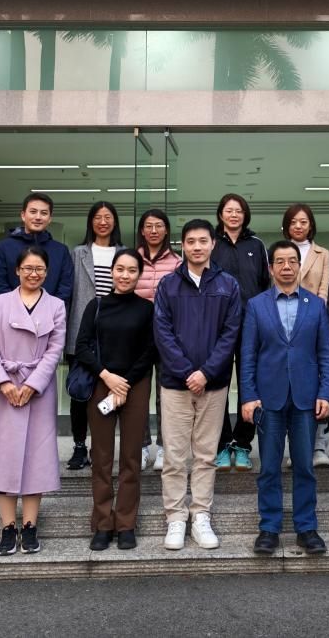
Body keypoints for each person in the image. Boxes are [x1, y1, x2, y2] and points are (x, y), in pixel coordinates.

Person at [0, 246, 65, 557]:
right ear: (17, 271)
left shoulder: (56, 306)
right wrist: (4, 383)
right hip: (3, 392)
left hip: (39, 391)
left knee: (36, 457)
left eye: (40, 269)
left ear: (46, 273)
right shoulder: (0, 302)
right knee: (3, 457)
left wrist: (33, 385)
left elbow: (55, 350)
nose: (34, 274)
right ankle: (8, 527)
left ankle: (30, 525)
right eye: (28, 268)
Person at [153, 218, 243, 551]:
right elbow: (162, 332)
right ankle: (176, 518)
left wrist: (205, 373)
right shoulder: (168, 285)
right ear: (182, 246)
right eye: (190, 241)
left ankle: (200, 515)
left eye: (203, 241)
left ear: (212, 244)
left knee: (206, 456)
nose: (197, 247)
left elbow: (231, 333)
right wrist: (187, 371)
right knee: (175, 457)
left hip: (213, 384)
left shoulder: (228, 285)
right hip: (175, 385)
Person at [240, 241, 329, 556]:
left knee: (305, 466)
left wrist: (326, 393)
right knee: (269, 467)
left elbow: (326, 353)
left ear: (299, 265)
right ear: (271, 268)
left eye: (292, 261)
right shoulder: (256, 305)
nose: (286, 267)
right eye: (279, 261)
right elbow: (248, 355)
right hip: (268, 399)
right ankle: (269, 528)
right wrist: (248, 396)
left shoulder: (316, 305)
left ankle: (306, 528)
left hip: (306, 397)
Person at [75, 249, 157, 552]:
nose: (125, 275)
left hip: (135, 386)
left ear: (139, 275)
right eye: (120, 269)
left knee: (131, 457)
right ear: (111, 271)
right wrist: (107, 377)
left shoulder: (146, 309)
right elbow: (82, 347)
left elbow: (151, 350)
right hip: (101, 384)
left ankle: (125, 524)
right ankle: (102, 523)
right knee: (101, 458)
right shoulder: (95, 306)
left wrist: (125, 384)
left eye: (131, 270)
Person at [211, 193, 269, 472]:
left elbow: (264, 284)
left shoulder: (256, 245)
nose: (234, 215)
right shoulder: (211, 243)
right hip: (217, 325)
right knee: (218, 385)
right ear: (220, 214)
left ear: (245, 215)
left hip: (250, 323)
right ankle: (222, 444)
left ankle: (244, 444)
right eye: (229, 210)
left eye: (239, 211)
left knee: (250, 385)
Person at [66, 201, 124, 470]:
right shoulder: (78, 253)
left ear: (115, 222)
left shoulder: (124, 253)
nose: (103, 221)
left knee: (110, 390)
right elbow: (69, 294)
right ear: (91, 221)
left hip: (114, 332)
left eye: (108, 217)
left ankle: (103, 446)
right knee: (80, 391)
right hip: (82, 329)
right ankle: (79, 446)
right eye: (98, 217)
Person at [283, 202, 329, 468]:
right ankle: (296, 448)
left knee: (318, 383)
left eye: (303, 221)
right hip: (285, 326)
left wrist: (314, 317)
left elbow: (324, 289)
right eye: (293, 222)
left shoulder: (322, 253)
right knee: (291, 385)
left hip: (314, 323)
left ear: (311, 225)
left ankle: (319, 446)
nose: (298, 226)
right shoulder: (281, 252)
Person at [135, 208, 181, 473]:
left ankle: (164, 447)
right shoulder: (132, 258)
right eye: (149, 226)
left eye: (159, 226)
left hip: (167, 337)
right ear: (142, 230)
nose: (153, 230)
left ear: (166, 230)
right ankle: (141, 447)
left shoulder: (177, 263)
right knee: (139, 394)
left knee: (167, 396)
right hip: (137, 337)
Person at [0, 192, 73, 304]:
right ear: (23, 215)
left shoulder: (61, 251)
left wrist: (50, 309)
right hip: (11, 313)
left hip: (50, 313)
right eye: (33, 212)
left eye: (44, 213)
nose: (38, 217)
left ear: (50, 218)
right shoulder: (4, 247)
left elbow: (65, 288)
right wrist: (19, 309)